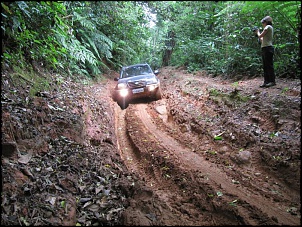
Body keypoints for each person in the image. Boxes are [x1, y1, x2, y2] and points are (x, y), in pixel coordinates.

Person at [254, 16, 276, 88]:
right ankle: (266, 82)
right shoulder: (268, 28)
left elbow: (260, 35)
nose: (262, 24)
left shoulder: (268, 27)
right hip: (265, 48)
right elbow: (262, 40)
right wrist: (258, 35)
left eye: (263, 23)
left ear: (265, 22)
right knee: (265, 66)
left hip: (268, 48)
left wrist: (257, 32)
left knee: (269, 65)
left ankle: (272, 81)